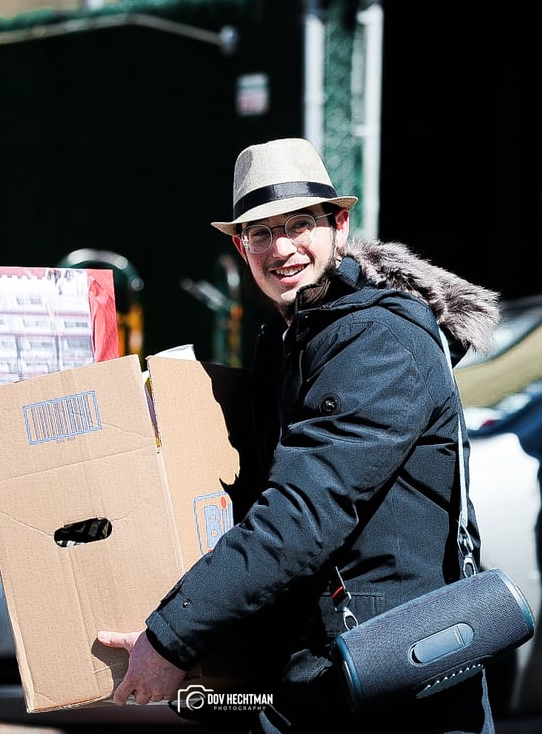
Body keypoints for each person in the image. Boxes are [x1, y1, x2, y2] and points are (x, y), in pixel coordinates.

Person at [97, 137, 501, 732]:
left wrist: (172, 638)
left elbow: (303, 515)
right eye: (261, 232)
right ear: (239, 245)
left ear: (339, 226)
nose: (281, 248)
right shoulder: (290, 340)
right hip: (325, 666)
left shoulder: (377, 343)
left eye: (301, 224)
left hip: (395, 673)